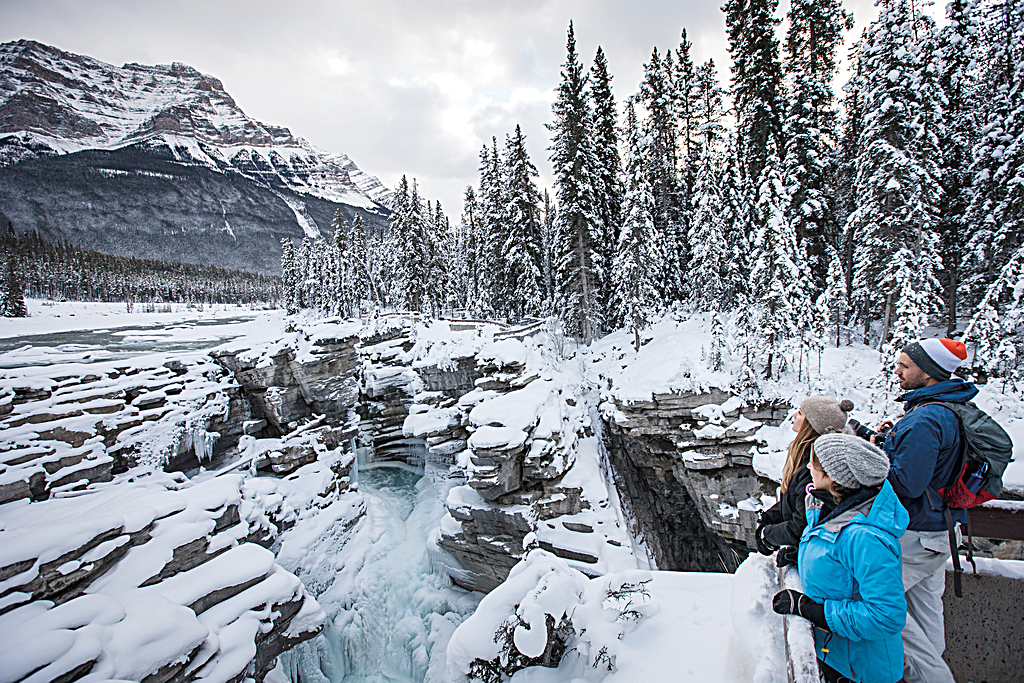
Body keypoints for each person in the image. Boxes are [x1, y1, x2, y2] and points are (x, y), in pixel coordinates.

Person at [772, 434, 908, 683]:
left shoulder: (865, 537)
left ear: (834, 478)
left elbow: (886, 616)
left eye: (815, 463)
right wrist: (804, 556)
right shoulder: (830, 509)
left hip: (863, 670)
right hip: (837, 657)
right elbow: (838, 565)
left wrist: (813, 611)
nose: (809, 467)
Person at [875, 338, 973, 683]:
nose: (897, 370)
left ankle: (933, 678)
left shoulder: (926, 418)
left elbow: (907, 485)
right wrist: (889, 442)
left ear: (928, 372)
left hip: (916, 534)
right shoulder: (944, 407)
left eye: (905, 365)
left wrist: (876, 462)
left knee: (874, 602)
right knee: (926, 612)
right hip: (940, 531)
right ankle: (933, 672)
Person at [756, 397, 854, 567]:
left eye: (800, 413)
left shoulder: (816, 468)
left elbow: (802, 524)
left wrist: (768, 535)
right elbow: (793, 501)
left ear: (811, 425)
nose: (793, 415)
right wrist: (768, 518)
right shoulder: (804, 455)